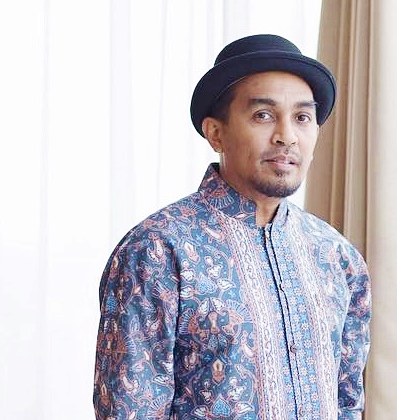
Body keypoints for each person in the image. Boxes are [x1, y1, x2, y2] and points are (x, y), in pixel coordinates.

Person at [93, 34, 371, 419]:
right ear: (216, 133)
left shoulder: (337, 258)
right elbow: (130, 410)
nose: (287, 136)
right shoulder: (158, 251)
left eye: (302, 118)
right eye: (263, 115)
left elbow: (347, 404)